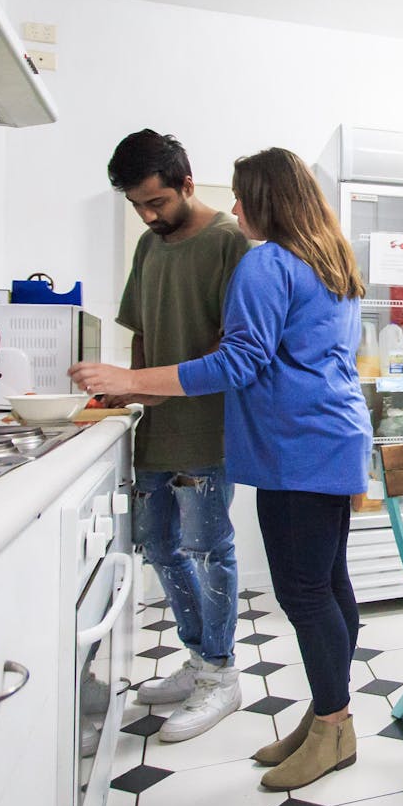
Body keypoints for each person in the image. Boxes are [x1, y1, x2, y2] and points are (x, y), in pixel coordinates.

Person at [71, 147, 373, 791]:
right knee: (331, 585)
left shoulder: (267, 262)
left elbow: (238, 362)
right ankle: (329, 717)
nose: (234, 208)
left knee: (305, 593)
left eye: (242, 196)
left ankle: (333, 726)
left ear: (265, 199)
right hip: (334, 437)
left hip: (296, 448)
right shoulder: (330, 260)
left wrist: (130, 379)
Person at [106, 129, 251, 742]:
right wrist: (134, 389)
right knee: (159, 548)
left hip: (207, 430)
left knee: (207, 549)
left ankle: (221, 675)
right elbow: (140, 331)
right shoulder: (148, 245)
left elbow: (233, 349)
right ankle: (198, 661)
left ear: (187, 183)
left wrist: (149, 384)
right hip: (156, 427)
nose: (147, 214)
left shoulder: (230, 245)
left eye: (156, 201)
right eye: (137, 203)